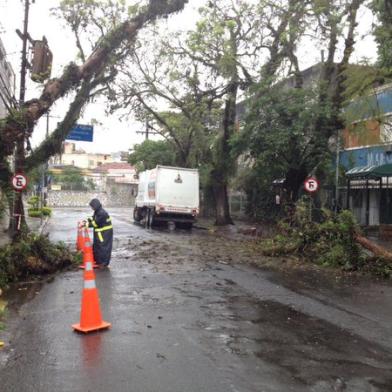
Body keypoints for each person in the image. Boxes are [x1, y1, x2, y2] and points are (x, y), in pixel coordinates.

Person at [84, 199, 113, 268]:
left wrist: (85, 225)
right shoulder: (97, 211)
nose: (91, 208)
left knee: (103, 248)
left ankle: (103, 263)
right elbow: (93, 218)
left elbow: (95, 223)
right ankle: (98, 261)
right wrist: (86, 220)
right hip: (101, 233)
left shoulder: (102, 213)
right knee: (98, 246)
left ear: (95, 205)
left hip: (105, 234)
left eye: (92, 206)